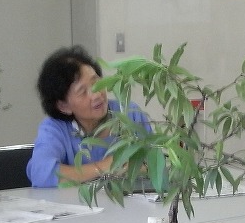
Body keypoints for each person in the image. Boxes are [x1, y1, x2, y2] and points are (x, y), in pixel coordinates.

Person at [26, 46, 151, 188]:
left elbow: (153, 164)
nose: (96, 94)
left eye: (96, 82)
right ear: (63, 106)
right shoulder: (54, 128)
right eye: (82, 91)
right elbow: (42, 174)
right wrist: (106, 166)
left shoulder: (129, 113)